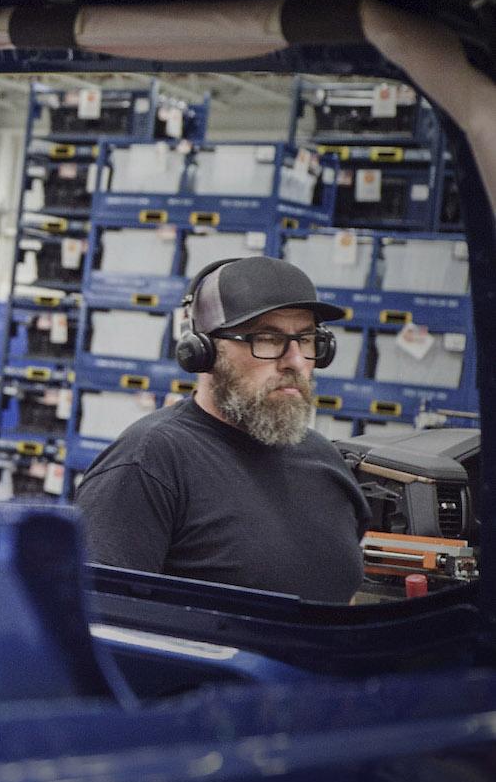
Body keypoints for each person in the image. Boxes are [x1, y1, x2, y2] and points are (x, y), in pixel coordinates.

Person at [74, 255, 370, 602]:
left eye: (305, 340)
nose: (295, 361)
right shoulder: (150, 463)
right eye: (268, 338)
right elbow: (94, 622)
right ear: (202, 351)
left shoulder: (325, 461)